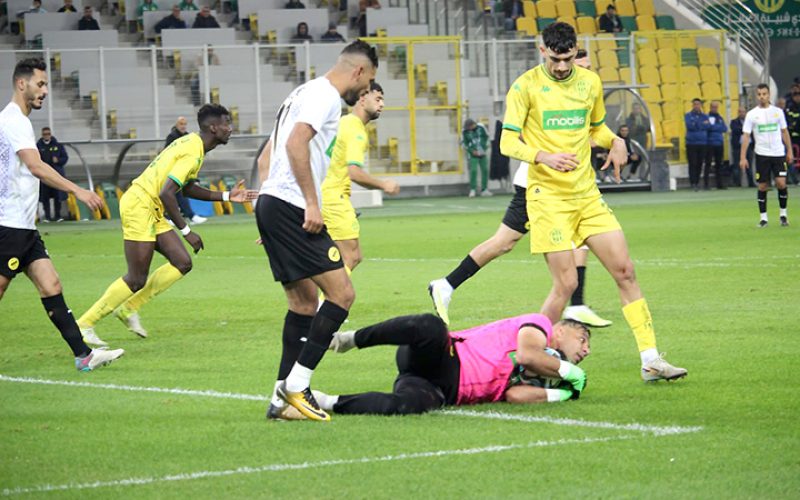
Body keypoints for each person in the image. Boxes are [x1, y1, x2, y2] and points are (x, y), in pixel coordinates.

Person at [496, 22, 686, 381]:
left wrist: (614, 140)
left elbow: (596, 127)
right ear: (542, 51)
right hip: (547, 198)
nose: (562, 66)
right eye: (555, 59)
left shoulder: (590, 83)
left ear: (575, 51)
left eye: (568, 58)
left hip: (586, 196)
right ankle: (528, 360)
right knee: (565, 285)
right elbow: (507, 142)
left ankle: (650, 360)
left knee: (625, 271)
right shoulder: (525, 87)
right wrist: (542, 156)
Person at [428, 47, 613, 330]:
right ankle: (447, 285)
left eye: (585, 65)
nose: (583, 70)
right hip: (539, 186)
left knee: (574, 239)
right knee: (506, 242)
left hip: (566, 186)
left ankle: (576, 303)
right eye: (581, 64)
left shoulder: (581, 92)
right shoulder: (538, 91)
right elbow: (524, 136)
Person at [254, 40, 377, 422]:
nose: (368, 90)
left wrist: (268, 211)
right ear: (358, 71)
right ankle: (297, 384)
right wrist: (310, 202)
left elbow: (265, 157)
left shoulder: (300, 93)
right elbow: (295, 144)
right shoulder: (324, 95)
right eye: (370, 81)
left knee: (304, 304)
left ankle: (280, 400)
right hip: (291, 206)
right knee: (342, 293)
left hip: (275, 205)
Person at [77, 105, 258, 344]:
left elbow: (186, 186)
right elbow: (167, 193)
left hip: (151, 206)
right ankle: (85, 324)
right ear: (213, 127)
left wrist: (225, 196)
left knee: (182, 263)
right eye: (227, 123)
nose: (230, 128)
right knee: (136, 278)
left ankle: (129, 308)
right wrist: (186, 231)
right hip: (139, 205)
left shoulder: (194, 145)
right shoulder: (193, 150)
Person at [0, 58, 124, 372]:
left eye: (45, 85)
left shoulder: (16, 121)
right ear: (21, 84)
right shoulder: (14, 120)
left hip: (24, 226)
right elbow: (36, 166)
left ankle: (84, 355)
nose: (44, 91)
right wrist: (78, 191)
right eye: (39, 84)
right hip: (9, 224)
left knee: (51, 284)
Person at [306, 313, 590, 417]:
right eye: (583, 339)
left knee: (409, 406)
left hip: (441, 390)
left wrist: (564, 393)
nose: (586, 350)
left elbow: (516, 396)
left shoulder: (551, 368)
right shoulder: (540, 325)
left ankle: (325, 402)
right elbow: (528, 355)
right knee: (431, 325)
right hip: (445, 356)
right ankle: (350, 339)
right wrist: (571, 373)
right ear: (562, 330)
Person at [321, 81, 399, 273]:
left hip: (321, 196)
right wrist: (384, 185)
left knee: (328, 258)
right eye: (378, 98)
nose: (382, 104)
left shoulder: (341, 122)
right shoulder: (355, 129)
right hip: (334, 199)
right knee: (351, 256)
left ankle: (319, 301)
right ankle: (327, 302)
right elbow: (353, 172)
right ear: (362, 98)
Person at [740, 83, 793, 228]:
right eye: (759, 94)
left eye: (764, 94)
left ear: (769, 95)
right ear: (757, 96)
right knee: (762, 186)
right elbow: (746, 136)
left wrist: (789, 151)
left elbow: (784, 132)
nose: (762, 97)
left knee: (781, 183)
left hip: (778, 153)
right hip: (762, 154)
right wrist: (743, 157)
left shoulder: (778, 112)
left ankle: (783, 215)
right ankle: (763, 218)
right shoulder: (752, 114)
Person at [164, 116, 206, 224]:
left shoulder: (188, 137)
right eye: (181, 124)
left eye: (184, 124)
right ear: (177, 125)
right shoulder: (171, 137)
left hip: (184, 169)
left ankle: (174, 217)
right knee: (176, 193)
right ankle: (188, 216)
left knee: (178, 193)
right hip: (173, 169)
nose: (183, 126)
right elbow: (167, 153)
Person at [36, 127, 68, 222]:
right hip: (44, 175)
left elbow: (65, 157)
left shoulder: (57, 145)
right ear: (42, 135)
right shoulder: (38, 146)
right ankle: (47, 216)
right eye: (45, 134)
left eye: (48, 134)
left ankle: (58, 215)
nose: (46, 135)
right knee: (45, 196)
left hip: (56, 174)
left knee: (57, 196)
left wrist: (58, 160)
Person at [685, 98, 709, 191]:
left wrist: (697, 124)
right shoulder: (688, 115)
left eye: (698, 104)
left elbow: (708, 126)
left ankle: (697, 182)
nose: (696, 106)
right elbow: (690, 126)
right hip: (691, 143)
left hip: (702, 143)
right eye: (695, 104)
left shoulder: (705, 116)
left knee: (699, 163)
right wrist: (701, 124)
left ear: (701, 105)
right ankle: (693, 182)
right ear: (692, 105)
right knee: (692, 163)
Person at [463, 118, 491, 197]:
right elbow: (464, 143)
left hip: (483, 153)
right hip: (473, 154)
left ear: (473, 124)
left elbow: (487, 137)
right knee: (473, 170)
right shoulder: (465, 131)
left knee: (485, 170)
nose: (468, 129)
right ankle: (473, 189)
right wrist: (472, 151)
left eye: (469, 127)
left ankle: (484, 189)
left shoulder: (481, 127)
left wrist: (485, 149)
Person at [704, 100, 728, 190]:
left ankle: (720, 184)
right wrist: (717, 128)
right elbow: (707, 127)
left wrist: (714, 127)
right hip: (709, 143)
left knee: (719, 164)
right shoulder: (706, 117)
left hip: (719, 143)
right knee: (708, 164)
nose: (715, 108)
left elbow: (724, 128)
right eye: (713, 107)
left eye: (716, 107)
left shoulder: (720, 118)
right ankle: (706, 184)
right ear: (710, 107)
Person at [730, 106, 755, 187]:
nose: (742, 113)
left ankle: (751, 183)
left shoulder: (750, 122)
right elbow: (736, 130)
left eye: (743, 112)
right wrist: (746, 130)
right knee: (737, 166)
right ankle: (737, 183)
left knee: (749, 166)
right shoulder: (734, 122)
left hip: (749, 146)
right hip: (738, 147)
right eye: (740, 112)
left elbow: (752, 130)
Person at [783, 84, 800, 185]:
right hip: (792, 138)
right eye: (795, 94)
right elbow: (788, 124)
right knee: (790, 159)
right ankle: (792, 179)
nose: (797, 97)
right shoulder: (789, 108)